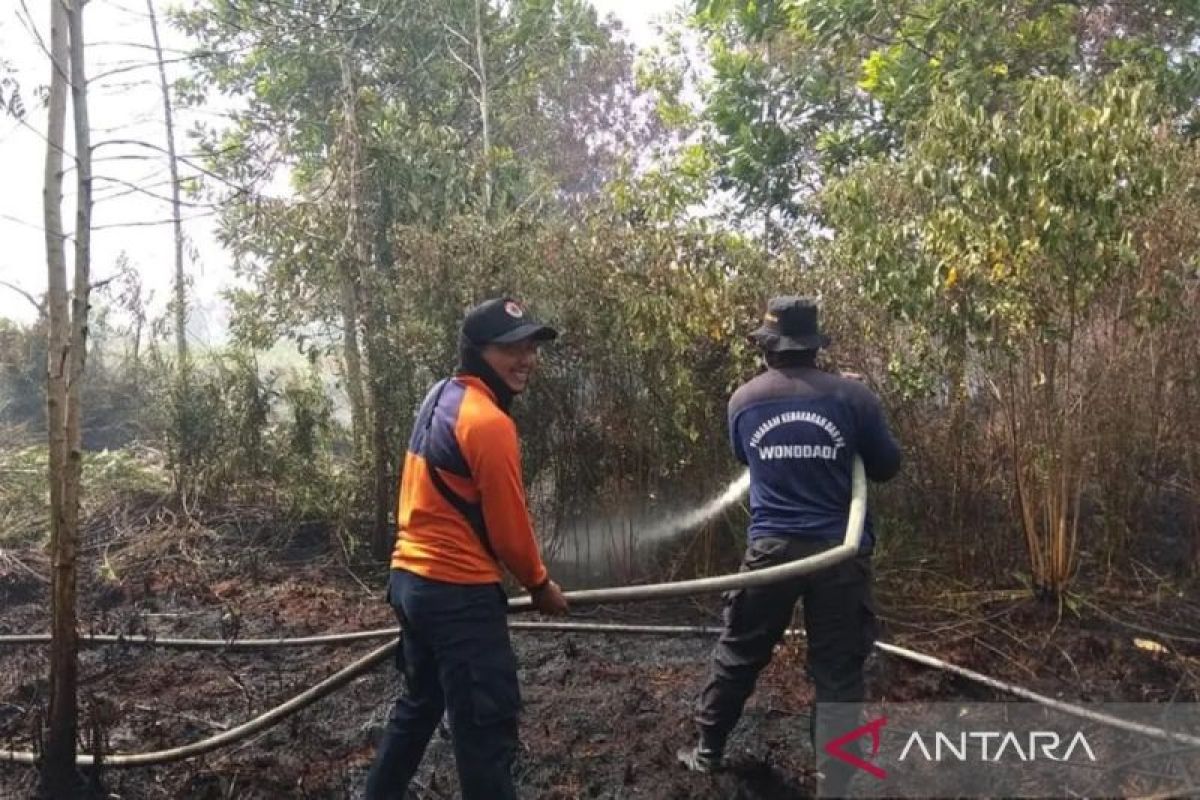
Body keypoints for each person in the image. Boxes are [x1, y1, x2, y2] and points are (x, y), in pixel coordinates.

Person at [677, 296, 902, 795]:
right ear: (814, 346)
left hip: (771, 552)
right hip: (838, 555)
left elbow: (745, 454)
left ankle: (708, 749)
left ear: (769, 349)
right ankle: (835, 784)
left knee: (739, 650)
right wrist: (855, 419)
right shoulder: (853, 399)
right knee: (838, 670)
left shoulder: (744, 400)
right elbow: (886, 466)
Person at [365, 297, 569, 800]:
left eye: (529, 347)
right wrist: (540, 585)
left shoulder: (441, 395)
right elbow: (509, 527)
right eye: (509, 349)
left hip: (410, 584)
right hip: (457, 595)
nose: (525, 360)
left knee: (420, 706)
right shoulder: (489, 423)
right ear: (477, 351)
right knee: (485, 731)